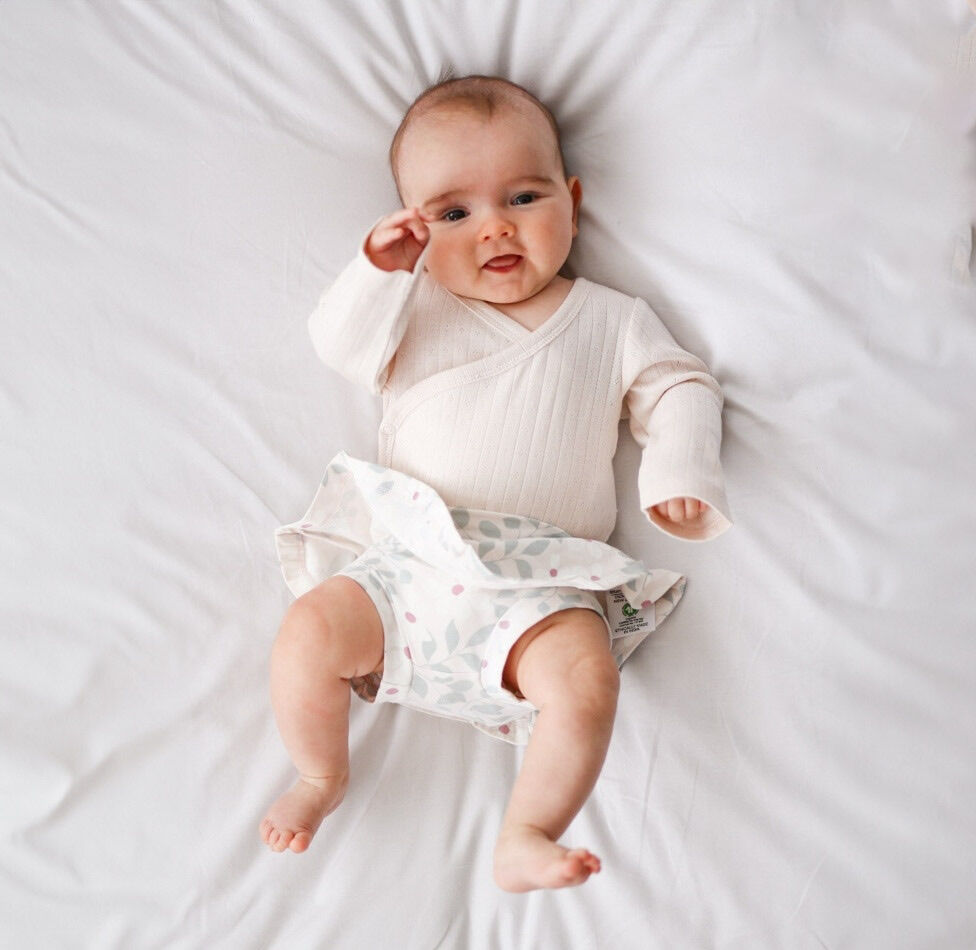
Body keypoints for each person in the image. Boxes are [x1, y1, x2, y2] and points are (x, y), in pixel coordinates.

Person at [260, 74, 732, 892]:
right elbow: (338, 345)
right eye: (453, 214)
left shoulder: (610, 319)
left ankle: (528, 830)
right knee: (308, 631)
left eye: (523, 196)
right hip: (411, 566)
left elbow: (679, 385)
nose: (496, 229)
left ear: (572, 201)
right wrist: (378, 273)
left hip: (542, 586)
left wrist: (679, 467)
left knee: (587, 683)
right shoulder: (415, 310)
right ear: (414, 231)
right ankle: (318, 775)